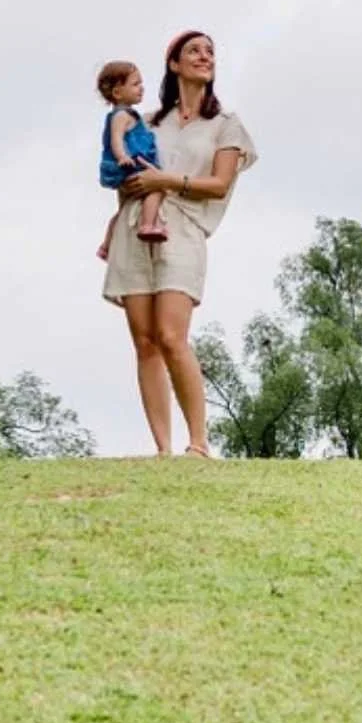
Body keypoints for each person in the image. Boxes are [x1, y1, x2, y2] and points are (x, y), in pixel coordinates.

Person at [103, 31, 259, 458]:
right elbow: (126, 172)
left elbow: (220, 183)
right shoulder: (148, 122)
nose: (204, 57)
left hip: (185, 229)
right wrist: (118, 217)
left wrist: (165, 181)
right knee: (145, 340)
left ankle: (198, 443)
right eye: (194, 51)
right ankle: (162, 449)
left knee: (172, 335)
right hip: (135, 227)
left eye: (211, 51)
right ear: (174, 63)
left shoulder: (226, 125)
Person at [93, 61, 168, 261]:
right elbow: (116, 139)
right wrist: (122, 157)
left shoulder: (126, 115)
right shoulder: (121, 116)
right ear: (117, 92)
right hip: (131, 163)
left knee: (124, 209)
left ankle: (107, 245)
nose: (141, 88)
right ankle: (148, 225)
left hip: (129, 162)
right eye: (135, 84)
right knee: (157, 189)